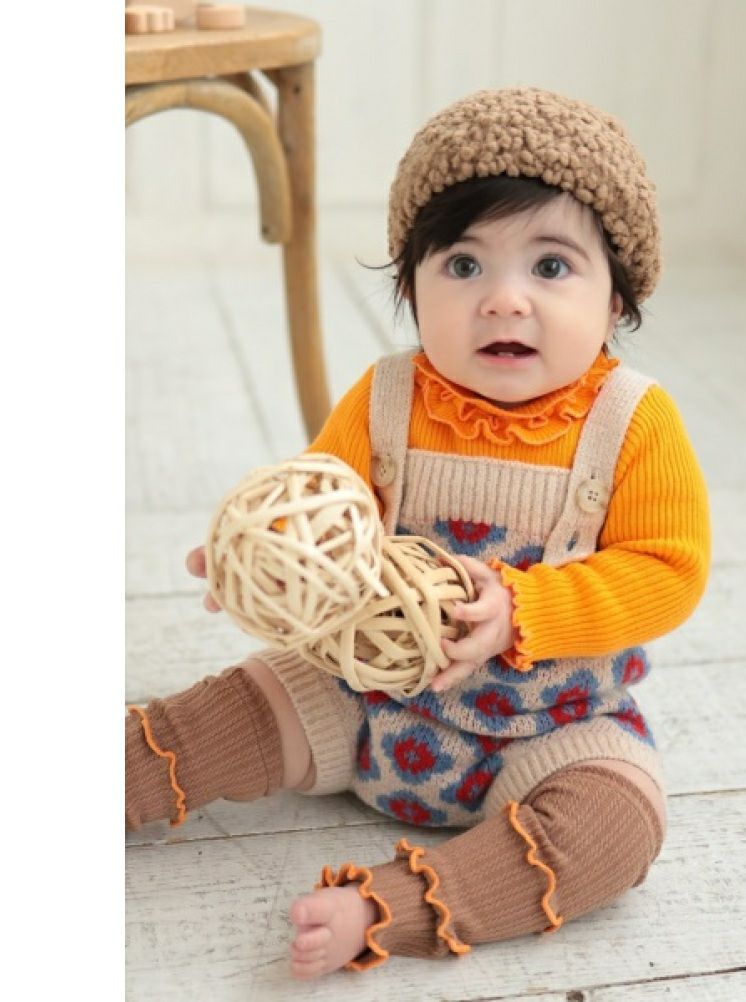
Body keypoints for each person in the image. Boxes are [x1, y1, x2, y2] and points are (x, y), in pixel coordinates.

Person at [125, 87, 711, 979]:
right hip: (361, 696)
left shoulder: (632, 423)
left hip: (547, 726)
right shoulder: (387, 397)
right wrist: (265, 555)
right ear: (409, 285)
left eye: (551, 267)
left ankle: (387, 909)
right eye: (464, 264)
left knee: (617, 829)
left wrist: (522, 609)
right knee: (223, 712)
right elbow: (322, 507)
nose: (504, 300)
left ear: (617, 299)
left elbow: (669, 570)